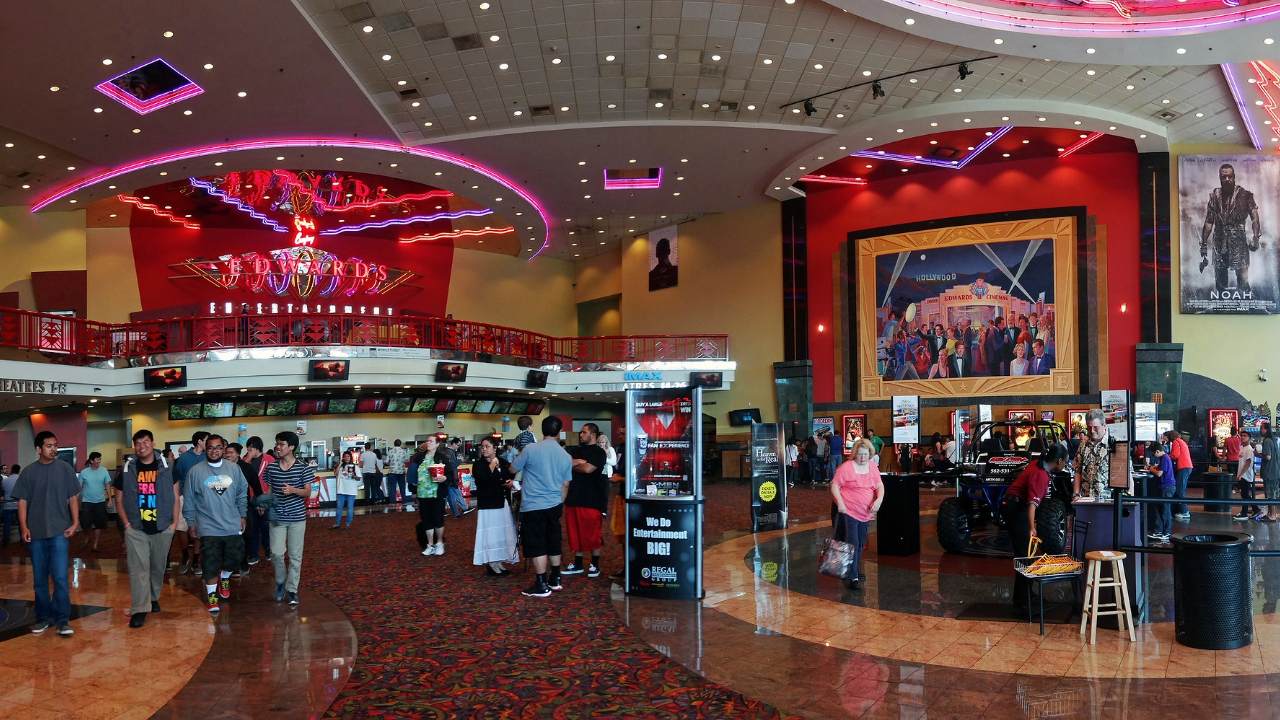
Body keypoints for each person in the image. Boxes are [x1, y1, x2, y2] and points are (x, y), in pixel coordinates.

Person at [13, 431, 81, 636]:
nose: (54, 449)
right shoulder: (28, 472)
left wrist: (75, 522)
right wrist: (24, 527)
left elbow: (73, 497)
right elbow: (22, 501)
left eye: (55, 445)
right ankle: (43, 618)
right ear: (38, 449)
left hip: (59, 531)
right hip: (36, 534)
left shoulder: (65, 469)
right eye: (49, 446)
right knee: (39, 579)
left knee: (60, 577)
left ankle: (62, 620)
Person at [114, 430, 179, 628]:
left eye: (145, 441)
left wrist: (174, 524)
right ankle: (140, 609)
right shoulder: (127, 469)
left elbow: (176, 496)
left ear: (152, 443)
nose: (142, 446)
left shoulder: (168, 467)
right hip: (136, 528)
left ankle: (152, 598)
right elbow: (118, 499)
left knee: (157, 567)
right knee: (138, 570)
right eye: (138, 443)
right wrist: (127, 525)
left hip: (162, 527)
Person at [1000, 443, 1070, 616]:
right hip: (1016, 508)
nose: (1066, 465)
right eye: (1066, 462)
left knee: (1026, 555)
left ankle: (1027, 594)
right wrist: (1032, 528)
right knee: (1025, 556)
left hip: (1013, 505)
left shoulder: (1038, 464)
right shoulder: (1041, 474)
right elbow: (1032, 505)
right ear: (1059, 460)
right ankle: (1021, 603)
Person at [182, 435, 248, 614]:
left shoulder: (234, 469)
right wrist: (191, 522)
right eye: (210, 448)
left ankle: (225, 576)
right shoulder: (195, 472)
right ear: (205, 449)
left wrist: (243, 515)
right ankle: (212, 598)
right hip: (208, 525)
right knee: (210, 561)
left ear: (223, 449)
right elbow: (189, 499)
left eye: (218, 447)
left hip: (232, 523)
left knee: (234, 557)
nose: (214, 451)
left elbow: (242, 494)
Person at [510, 416, 573, 598]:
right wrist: (559, 502)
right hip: (554, 505)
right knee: (553, 541)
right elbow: (566, 485)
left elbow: (513, 469)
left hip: (533, 506)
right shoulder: (566, 456)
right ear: (559, 431)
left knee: (536, 544)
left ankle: (541, 584)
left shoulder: (530, 449)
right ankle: (556, 579)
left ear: (540, 430)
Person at [264, 432, 317, 606]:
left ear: (292, 447)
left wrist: (294, 490)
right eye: (277, 444)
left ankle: (292, 589)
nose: (278, 447)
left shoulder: (303, 468)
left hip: (297, 518)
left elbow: (308, 491)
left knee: (295, 557)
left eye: (282, 444)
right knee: (276, 553)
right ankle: (280, 581)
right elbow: (269, 491)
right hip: (277, 518)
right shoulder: (271, 468)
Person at [830, 439, 884, 591]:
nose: (862, 458)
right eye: (859, 454)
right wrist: (840, 503)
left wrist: (878, 500)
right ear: (854, 454)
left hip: (865, 513)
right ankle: (852, 577)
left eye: (865, 455)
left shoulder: (873, 467)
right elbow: (835, 486)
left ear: (870, 454)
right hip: (848, 511)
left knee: (860, 543)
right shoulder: (846, 467)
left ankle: (853, 569)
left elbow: (879, 486)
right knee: (852, 542)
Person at [1199, 163, 1261, 293]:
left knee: (1242, 276)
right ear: (1220, 177)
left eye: (1230, 177)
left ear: (1234, 177)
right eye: (1224, 177)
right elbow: (1209, 221)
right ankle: (1221, 306)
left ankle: (1245, 304)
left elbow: (1255, 218)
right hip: (1219, 239)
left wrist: (1256, 238)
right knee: (1220, 278)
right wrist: (1204, 244)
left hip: (1238, 238)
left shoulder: (1245, 195)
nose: (1227, 180)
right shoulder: (1214, 196)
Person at [564, 423, 608, 578]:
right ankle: (578, 563)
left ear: (593, 435)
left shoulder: (599, 452)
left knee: (593, 534)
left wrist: (575, 463)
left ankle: (595, 565)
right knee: (575, 534)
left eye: (584, 432)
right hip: (573, 497)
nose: (581, 435)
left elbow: (588, 469)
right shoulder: (576, 450)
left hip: (591, 499)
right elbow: (566, 464)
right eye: (581, 432)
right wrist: (579, 462)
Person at [472, 436, 518, 575]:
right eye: (482, 446)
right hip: (488, 504)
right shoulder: (479, 464)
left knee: (501, 533)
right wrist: (492, 464)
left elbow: (509, 475)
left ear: (495, 448)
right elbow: (482, 478)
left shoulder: (503, 462)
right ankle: (491, 562)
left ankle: (499, 560)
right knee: (491, 533)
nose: (484, 449)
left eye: (487, 446)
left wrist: (510, 483)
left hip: (502, 502)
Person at [416, 434, 458, 556]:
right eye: (427, 440)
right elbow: (414, 471)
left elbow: (450, 474)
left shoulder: (442, 458)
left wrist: (445, 478)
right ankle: (430, 544)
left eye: (431, 441)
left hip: (437, 493)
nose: (428, 442)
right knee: (426, 519)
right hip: (423, 493)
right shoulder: (420, 457)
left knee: (437, 517)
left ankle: (439, 542)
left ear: (437, 443)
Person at [175, 431, 209, 575]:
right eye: (207, 440)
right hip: (184, 497)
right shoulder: (184, 458)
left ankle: (196, 561)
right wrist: (178, 497)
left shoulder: (207, 457)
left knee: (199, 531)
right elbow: (177, 478)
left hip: (203, 499)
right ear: (200, 441)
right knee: (181, 528)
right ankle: (185, 556)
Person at [241, 436, 270, 565]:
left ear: (257, 447)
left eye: (251, 446)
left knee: (266, 526)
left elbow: (272, 481)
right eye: (248, 447)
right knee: (252, 527)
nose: (249, 449)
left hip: (264, 497)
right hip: (250, 499)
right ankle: (253, 554)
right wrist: (247, 459)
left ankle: (268, 549)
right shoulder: (244, 461)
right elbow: (242, 474)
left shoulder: (269, 460)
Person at [77, 453, 112, 552]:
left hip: (100, 501)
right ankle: (88, 537)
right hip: (87, 501)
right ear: (91, 461)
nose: (99, 461)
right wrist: (75, 499)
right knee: (84, 524)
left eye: (100, 459)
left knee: (99, 524)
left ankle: (95, 545)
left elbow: (108, 485)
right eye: (97, 459)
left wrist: (109, 499)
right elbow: (79, 487)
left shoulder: (104, 471)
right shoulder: (84, 472)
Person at [1074, 410, 1112, 499]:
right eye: (1089, 427)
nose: (1092, 431)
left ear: (1104, 425)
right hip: (1087, 499)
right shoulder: (1083, 445)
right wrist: (1076, 495)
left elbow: (1127, 475)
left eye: (1096, 427)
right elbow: (1078, 471)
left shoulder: (1115, 444)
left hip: (1109, 501)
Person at [1144, 442, 1175, 543]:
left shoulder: (1165, 458)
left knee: (1165, 510)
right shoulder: (1164, 459)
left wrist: (1151, 468)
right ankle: (1159, 530)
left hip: (1167, 486)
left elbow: (1159, 473)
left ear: (1157, 451)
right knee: (1160, 508)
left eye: (1153, 454)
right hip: (1164, 486)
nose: (1153, 456)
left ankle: (1167, 532)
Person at [1234, 434, 1262, 522]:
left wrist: (1241, 474)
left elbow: (1248, 462)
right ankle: (1256, 509)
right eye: (1242, 436)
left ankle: (1244, 512)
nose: (1242, 437)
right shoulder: (1242, 448)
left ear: (1249, 438)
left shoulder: (1249, 449)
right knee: (1245, 494)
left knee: (1245, 494)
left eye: (1245, 436)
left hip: (1246, 475)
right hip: (1242, 474)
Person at [1166, 430, 1194, 520]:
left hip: (1183, 467)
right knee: (1181, 489)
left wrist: (1166, 457)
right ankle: (1183, 510)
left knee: (1180, 489)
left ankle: (1185, 511)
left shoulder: (1175, 442)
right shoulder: (1181, 441)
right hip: (1187, 466)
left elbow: (1175, 455)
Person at [333, 450, 360, 529]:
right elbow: (335, 473)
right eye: (345, 457)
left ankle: (348, 523)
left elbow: (358, 478)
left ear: (350, 457)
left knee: (350, 507)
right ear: (343, 458)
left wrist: (354, 475)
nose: (346, 458)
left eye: (348, 456)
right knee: (339, 507)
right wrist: (340, 463)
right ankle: (337, 523)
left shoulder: (355, 467)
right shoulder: (341, 467)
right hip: (341, 489)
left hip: (351, 490)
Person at [444, 437, 470, 517]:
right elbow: (451, 465)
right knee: (453, 494)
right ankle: (461, 510)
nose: (458, 447)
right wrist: (460, 461)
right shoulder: (450, 452)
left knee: (451, 495)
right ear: (454, 444)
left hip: (449, 476)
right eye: (458, 445)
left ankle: (460, 510)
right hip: (451, 476)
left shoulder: (448, 452)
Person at [1262, 423, 1280, 522]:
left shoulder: (1267, 441)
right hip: (1275, 471)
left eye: (1262, 428)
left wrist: (1258, 454)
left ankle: (1272, 515)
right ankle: (1270, 514)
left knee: (1270, 495)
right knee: (1272, 494)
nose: (1261, 430)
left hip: (1269, 472)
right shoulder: (1274, 441)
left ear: (1266, 430)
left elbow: (1268, 457)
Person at [385, 439, 409, 504]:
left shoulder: (390, 451)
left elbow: (386, 462)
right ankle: (404, 501)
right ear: (400, 444)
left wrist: (392, 464)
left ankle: (392, 502)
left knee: (392, 487)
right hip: (401, 471)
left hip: (392, 471)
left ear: (394, 444)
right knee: (402, 487)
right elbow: (407, 460)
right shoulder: (404, 451)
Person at [1, 464, 17, 546]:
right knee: (21, 523)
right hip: (18, 504)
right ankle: (23, 540)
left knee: (7, 524)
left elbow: (2, 489)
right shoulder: (20, 479)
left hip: (7, 503)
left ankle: (5, 541)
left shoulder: (5, 480)